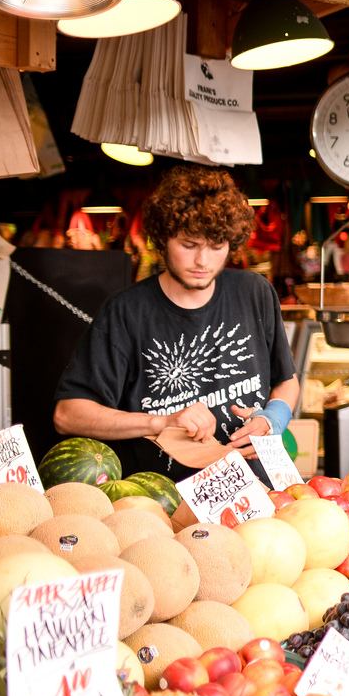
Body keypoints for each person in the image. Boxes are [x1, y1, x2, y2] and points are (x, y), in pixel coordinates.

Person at [54, 166, 298, 480]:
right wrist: (162, 421)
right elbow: (68, 415)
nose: (203, 262)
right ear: (163, 238)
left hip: (257, 488)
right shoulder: (126, 312)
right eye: (189, 245)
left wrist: (273, 419)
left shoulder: (254, 292)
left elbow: (286, 381)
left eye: (216, 246)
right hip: (162, 502)